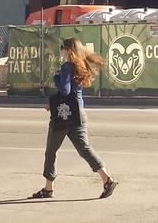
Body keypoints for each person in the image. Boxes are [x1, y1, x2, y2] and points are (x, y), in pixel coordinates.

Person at [30, 37, 118, 200]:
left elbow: (64, 91)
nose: (61, 50)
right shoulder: (80, 65)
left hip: (64, 113)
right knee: (84, 148)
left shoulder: (66, 67)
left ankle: (48, 188)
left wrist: (56, 78)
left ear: (68, 50)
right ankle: (107, 179)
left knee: (51, 151)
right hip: (79, 112)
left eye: (62, 47)